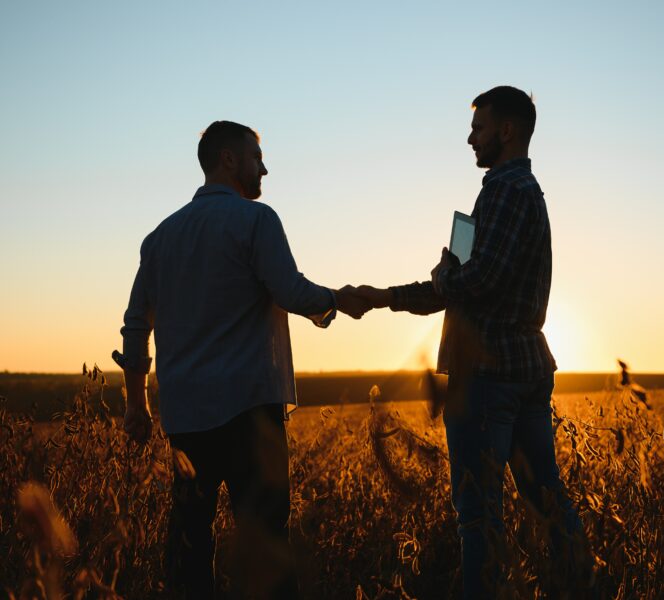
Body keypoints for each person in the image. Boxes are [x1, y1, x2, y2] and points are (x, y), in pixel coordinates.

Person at [116, 120, 370, 599]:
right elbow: (291, 290)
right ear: (229, 160)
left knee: (189, 541)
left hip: (186, 419)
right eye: (257, 157)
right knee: (266, 542)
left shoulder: (159, 238)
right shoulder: (256, 220)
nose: (265, 169)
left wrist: (136, 406)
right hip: (251, 411)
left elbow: (135, 327)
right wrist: (338, 300)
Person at [356, 86, 587, 598]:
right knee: (546, 499)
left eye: (478, 128)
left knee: (479, 515)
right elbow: (464, 286)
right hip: (524, 367)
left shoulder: (505, 189)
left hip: (487, 375)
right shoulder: (520, 192)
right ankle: (582, 587)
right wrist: (385, 296)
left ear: (506, 131)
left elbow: (481, 279)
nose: (470, 138)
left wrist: (443, 277)